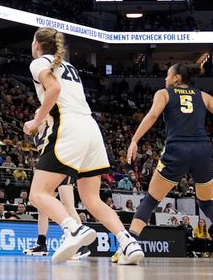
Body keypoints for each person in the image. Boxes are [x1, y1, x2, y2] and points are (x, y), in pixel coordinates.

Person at [21, 27, 142, 263]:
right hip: (91, 129)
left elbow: (54, 90)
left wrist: (36, 121)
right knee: (91, 199)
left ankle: (73, 229)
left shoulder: (38, 63)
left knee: (37, 194)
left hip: (69, 129)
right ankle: (128, 243)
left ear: (37, 44)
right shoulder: (70, 67)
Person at [121, 63, 213, 265]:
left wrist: (134, 140)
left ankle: (128, 247)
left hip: (177, 149)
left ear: (177, 78)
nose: (165, 79)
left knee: (151, 200)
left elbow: (153, 115)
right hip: (203, 150)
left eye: (167, 75)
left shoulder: (164, 93)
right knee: (207, 203)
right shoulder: (204, 96)